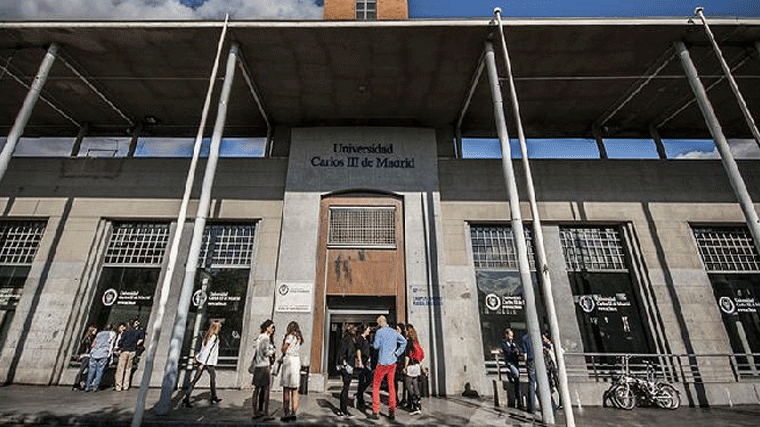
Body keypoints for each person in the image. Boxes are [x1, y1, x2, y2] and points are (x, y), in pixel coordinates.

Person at [368, 315, 406, 421]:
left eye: (377, 323)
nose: (377, 325)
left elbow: (376, 346)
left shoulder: (379, 332)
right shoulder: (394, 332)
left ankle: (375, 411)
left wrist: (374, 343)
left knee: (376, 386)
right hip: (392, 362)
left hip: (382, 362)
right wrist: (397, 353)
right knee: (391, 386)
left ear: (380, 323)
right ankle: (392, 411)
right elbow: (404, 342)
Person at [183, 320, 223, 407]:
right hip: (208, 362)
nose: (220, 328)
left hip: (205, 361)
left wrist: (199, 359)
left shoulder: (208, 335)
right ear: (216, 328)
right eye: (219, 327)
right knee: (209, 379)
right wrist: (202, 363)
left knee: (198, 379)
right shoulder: (214, 337)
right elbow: (207, 351)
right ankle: (212, 397)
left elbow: (203, 349)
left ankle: (213, 396)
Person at [251, 320, 276, 420]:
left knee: (256, 389)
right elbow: (266, 352)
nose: (273, 329)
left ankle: (255, 411)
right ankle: (266, 412)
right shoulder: (266, 338)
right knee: (266, 390)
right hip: (264, 366)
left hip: (258, 365)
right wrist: (273, 350)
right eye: (272, 327)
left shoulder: (259, 337)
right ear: (267, 327)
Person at [279, 321, 303, 422]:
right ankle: (294, 413)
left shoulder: (289, 337)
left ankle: (286, 413)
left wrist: (282, 345)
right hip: (296, 361)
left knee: (286, 389)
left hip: (289, 361)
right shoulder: (299, 338)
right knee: (295, 389)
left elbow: (283, 349)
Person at [114, 318, 145, 391]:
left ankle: (119, 386)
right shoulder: (139, 332)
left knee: (121, 369)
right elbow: (141, 339)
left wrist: (121, 346)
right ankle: (126, 385)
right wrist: (135, 345)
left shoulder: (126, 331)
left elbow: (120, 342)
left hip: (125, 350)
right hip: (132, 351)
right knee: (128, 369)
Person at [85, 324, 115, 392]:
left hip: (94, 353)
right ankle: (95, 386)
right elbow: (111, 344)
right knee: (100, 370)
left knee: (91, 370)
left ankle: (87, 386)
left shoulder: (99, 334)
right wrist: (109, 354)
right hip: (103, 353)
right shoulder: (111, 334)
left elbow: (93, 344)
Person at [337, 324, 358, 417]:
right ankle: (343, 410)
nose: (355, 330)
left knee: (345, 387)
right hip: (347, 366)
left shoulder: (345, 339)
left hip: (345, 365)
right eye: (353, 329)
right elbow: (348, 353)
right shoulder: (348, 340)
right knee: (346, 388)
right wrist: (346, 364)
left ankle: (343, 410)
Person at [403, 323, 424, 415]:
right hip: (417, 366)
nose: (404, 331)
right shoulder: (416, 341)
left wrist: (405, 366)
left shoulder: (408, 342)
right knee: (415, 385)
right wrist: (422, 367)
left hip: (411, 367)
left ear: (408, 331)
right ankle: (418, 405)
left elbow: (407, 356)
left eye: (405, 330)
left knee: (408, 385)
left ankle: (415, 404)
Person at [500, 328, 522, 408]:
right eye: (509, 336)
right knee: (516, 374)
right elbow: (507, 352)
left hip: (515, 362)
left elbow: (519, 349)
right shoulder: (504, 343)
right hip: (510, 362)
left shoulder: (514, 343)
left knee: (517, 381)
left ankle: (518, 400)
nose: (511, 338)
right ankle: (509, 373)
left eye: (512, 336)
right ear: (506, 335)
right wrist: (513, 351)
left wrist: (517, 350)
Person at [354, 324, 372, 411]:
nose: (369, 331)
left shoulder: (366, 339)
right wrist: (360, 362)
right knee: (361, 381)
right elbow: (358, 350)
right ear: (364, 330)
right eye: (368, 329)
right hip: (362, 363)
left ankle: (358, 395)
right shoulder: (360, 339)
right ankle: (360, 400)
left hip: (367, 363)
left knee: (369, 379)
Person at [73, 325, 97, 390]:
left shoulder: (88, 338)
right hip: (85, 356)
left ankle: (80, 383)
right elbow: (87, 348)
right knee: (82, 370)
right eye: (94, 331)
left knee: (85, 370)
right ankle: (76, 384)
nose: (95, 332)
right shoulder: (87, 339)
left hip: (86, 355)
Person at [520, 332, 537, 413]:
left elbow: (525, 354)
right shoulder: (537, 336)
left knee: (532, 383)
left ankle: (532, 407)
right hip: (538, 360)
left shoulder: (525, 338)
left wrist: (526, 363)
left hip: (530, 360)